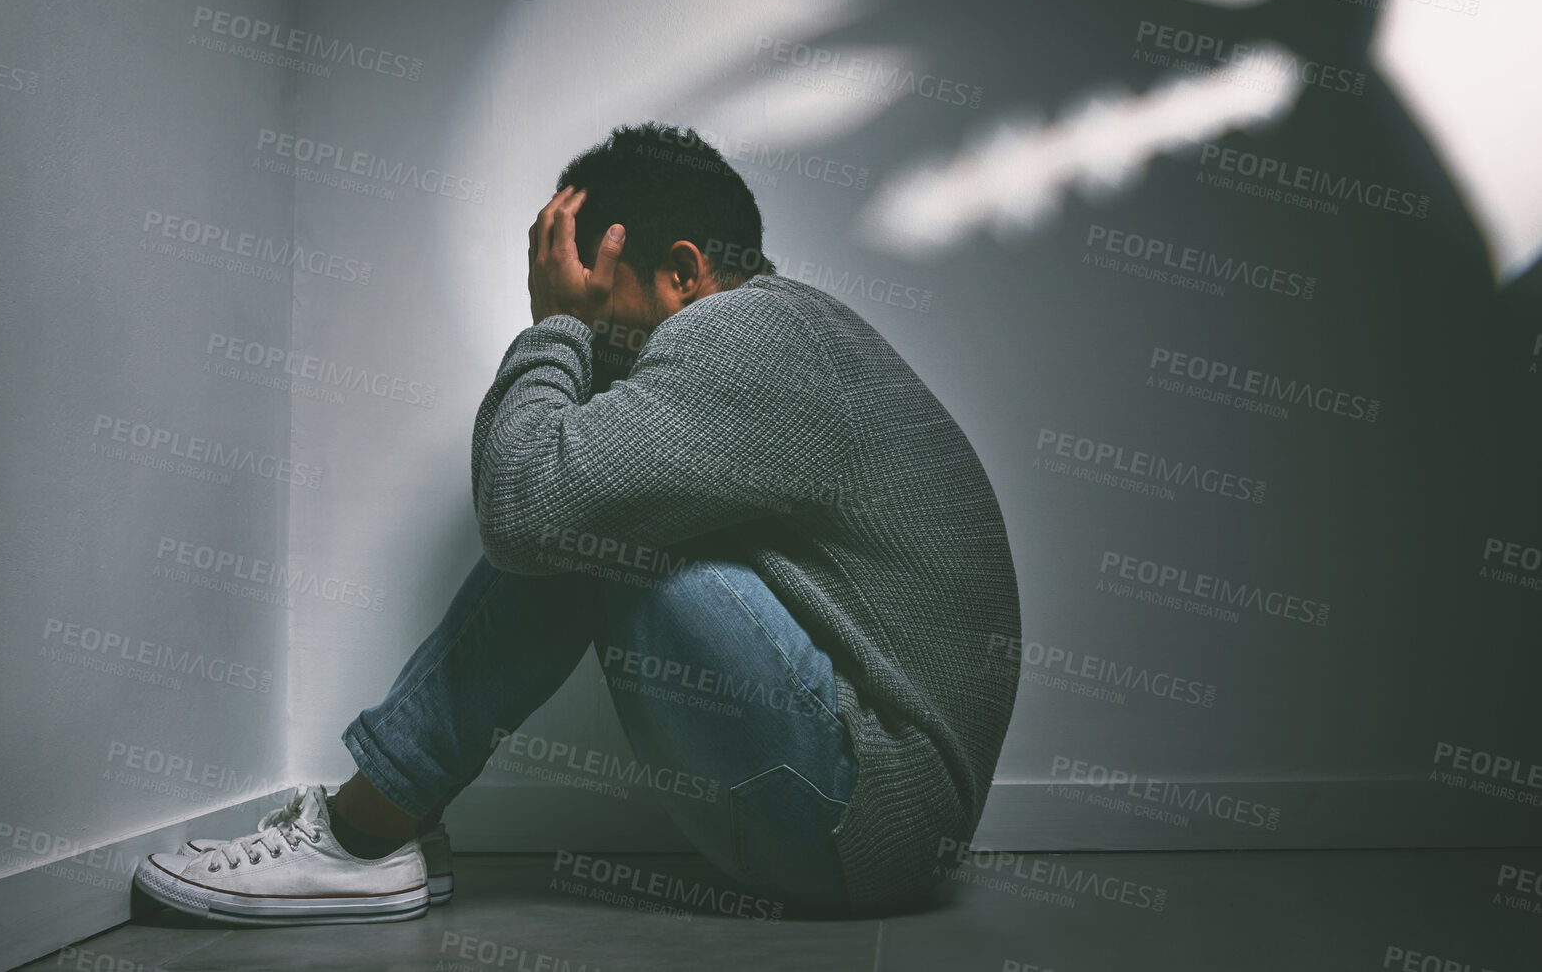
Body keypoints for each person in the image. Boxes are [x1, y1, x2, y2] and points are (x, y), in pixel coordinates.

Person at [131, 122, 1021, 925]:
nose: (600, 346)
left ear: (683, 272)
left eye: (608, 312)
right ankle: (382, 828)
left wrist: (553, 322)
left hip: (863, 820)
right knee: (589, 506)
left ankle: (363, 837)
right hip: (858, 817)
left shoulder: (750, 331)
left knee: (584, 522)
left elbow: (525, 506)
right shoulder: (789, 338)